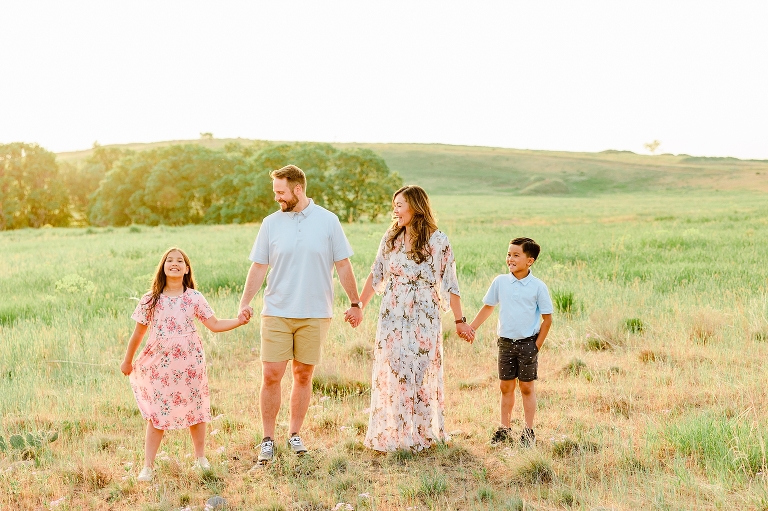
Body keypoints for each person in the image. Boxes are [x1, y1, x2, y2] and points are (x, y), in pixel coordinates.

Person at [238, 164, 362, 466]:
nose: (277, 198)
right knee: (271, 375)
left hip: (316, 313)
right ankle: (268, 438)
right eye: (275, 192)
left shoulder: (328, 221)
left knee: (303, 375)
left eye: (281, 192)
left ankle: (295, 434)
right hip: (277, 310)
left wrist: (355, 302)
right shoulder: (270, 223)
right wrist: (244, 302)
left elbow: (343, 265)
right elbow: (258, 266)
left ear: (298, 189)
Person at [351, 185, 474, 452]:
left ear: (416, 207)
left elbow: (451, 284)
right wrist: (359, 305)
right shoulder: (391, 237)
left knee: (419, 372)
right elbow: (377, 273)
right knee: (394, 372)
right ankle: (395, 435)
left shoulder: (439, 241)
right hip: (392, 314)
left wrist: (460, 320)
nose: (394, 211)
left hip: (424, 315)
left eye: (399, 205)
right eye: (394, 205)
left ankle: (420, 433)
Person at [121, 247, 249, 482]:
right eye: (169, 260)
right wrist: (127, 360)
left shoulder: (194, 297)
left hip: (190, 363)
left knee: (196, 410)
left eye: (180, 261)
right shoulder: (151, 299)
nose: (175, 263)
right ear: (163, 267)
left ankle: (200, 459)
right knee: (158, 415)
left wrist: (239, 321)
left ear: (187, 269)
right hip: (161, 365)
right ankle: (148, 466)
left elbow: (215, 324)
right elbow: (138, 333)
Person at [468, 237, 553, 447]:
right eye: (509, 254)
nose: (510, 259)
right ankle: (504, 429)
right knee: (505, 386)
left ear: (530, 261)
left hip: (528, 344)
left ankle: (528, 431)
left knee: (526, 387)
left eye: (516, 255)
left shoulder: (538, 287)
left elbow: (547, 319)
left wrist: (536, 346)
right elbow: (488, 307)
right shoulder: (500, 282)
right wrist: (472, 327)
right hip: (505, 343)